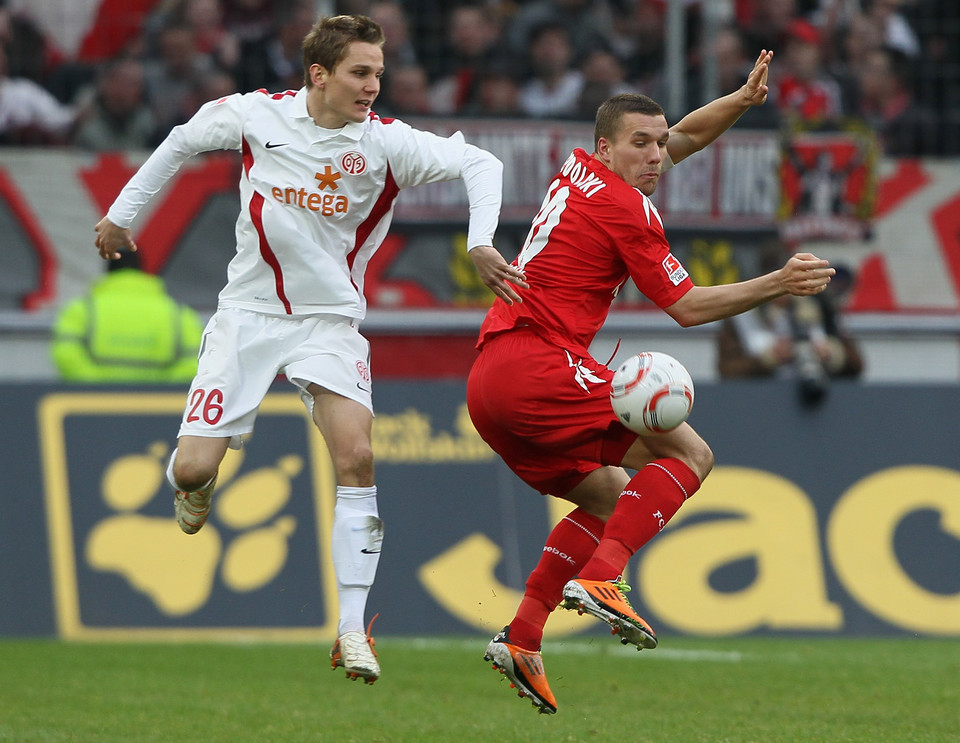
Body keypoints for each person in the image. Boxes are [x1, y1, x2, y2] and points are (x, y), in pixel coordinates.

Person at [94, 14, 524, 685]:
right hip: (247, 316)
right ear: (319, 74)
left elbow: (481, 161)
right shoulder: (255, 117)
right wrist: (124, 214)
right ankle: (195, 483)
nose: (373, 85)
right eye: (360, 71)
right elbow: (178, 142)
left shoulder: (386, 145)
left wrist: (479, 240)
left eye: (379, 72)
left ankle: (352, 629)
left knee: (356, 454)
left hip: (329, 322)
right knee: (188, 469)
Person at [467, 51, 836, 714]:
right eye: (641, 144)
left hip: (491, 381)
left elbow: (684, 138)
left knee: (614, 497)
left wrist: (739, 101)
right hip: (537, 367)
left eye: (659, 144)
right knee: (691, 454)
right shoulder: (625, 208)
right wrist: (778, 281)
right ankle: (604, 578)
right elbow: (687, 307)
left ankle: (522, 635)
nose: (656, 156)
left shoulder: (581, 171)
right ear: (607, 146)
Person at [51, 250, 203, 383]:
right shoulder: (178, 313)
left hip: (95, 408)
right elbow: (194, 361)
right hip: (158, 409)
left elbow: (66, 354)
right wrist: (158, 391)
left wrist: (98, 389)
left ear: (108, 272)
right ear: (142, 272)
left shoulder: (81, 310)